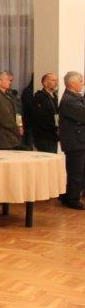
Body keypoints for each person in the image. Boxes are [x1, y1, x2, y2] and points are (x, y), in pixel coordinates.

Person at [59, 71, 85, 210]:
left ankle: (71, 195)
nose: (82, 83)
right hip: (75, 142)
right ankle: (72, 199)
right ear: (72, 83)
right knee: (76, 172)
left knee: (79, 171)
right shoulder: (69, 100)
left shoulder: (75, 97)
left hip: (79, 141)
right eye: (81, 81)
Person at [0, 71, 24, 149]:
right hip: (3, 139)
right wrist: (17, 130)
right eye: (6, 79)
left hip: (8, 137)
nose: (9, 82)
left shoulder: (5, 94)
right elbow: (6, 119)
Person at [30, 72, 60, 154]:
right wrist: (54, 128)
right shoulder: (39, 97)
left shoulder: (54, 96)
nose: (56, 82)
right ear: (45, 83)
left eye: (56, 80)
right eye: (53, 80)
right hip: (44, 136)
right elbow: (40, 118)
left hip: (53, 135)